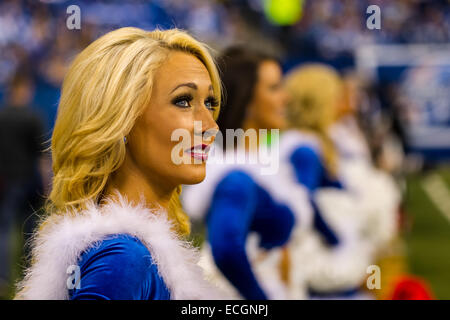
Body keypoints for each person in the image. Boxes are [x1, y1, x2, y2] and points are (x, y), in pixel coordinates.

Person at [15, 27, 225, 300]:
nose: (211, 126)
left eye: (210, 103)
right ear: (121, 119)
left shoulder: (127, 254)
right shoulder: (125, 261)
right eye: (183, 101)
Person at [182, 47, 306, 300]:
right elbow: (227, 250)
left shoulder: (266, 162)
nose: (286, 98)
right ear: (247, 100)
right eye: (274, 88)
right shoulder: (233, 175)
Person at [0, 71, 45, 298]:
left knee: (4, 231)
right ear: (23, 89)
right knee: (30, 231)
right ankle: (30, 276)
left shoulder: (2, 116)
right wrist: (47, 185)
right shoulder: (32, 117)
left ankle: (4, 278)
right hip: (29, 182)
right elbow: (41, 158)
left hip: (5, 182)